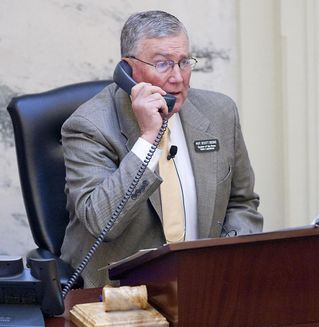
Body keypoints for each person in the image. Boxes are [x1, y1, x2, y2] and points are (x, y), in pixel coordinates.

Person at [60, 10, 263, 288]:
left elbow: (242, 202)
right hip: (119, 294)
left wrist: (225, 258)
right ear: (128, 70)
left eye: (184, 62)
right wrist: (148, 137)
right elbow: (101, 222)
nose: (178, 78)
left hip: (205, 285)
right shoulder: (89, 126)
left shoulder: (220, 113)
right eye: (164, 64)